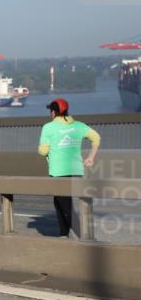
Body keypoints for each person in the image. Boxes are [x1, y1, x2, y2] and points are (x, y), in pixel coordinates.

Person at [38, 98, 100, 238]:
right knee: (60, 202)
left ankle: (82, 234)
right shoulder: (78, 126)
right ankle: (64, 233)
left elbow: (42, 151)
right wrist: (91, 157)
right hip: (77, 171)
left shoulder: (48, 127)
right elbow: (96, 137)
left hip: (58, 172)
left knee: (65, 205)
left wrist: (46, 149)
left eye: (51, 111)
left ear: (53, 112)